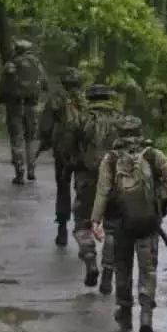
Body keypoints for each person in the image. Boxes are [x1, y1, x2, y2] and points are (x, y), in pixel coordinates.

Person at [91, 116, 167, 332]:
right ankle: (147, 315)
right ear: (140, 132)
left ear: (118, 133)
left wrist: (96, 220)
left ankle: (125, 311)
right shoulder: (153, 155)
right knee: (148, 268)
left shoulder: (111, 159)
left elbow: (102, 191)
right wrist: (160, 204)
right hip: (148, 223)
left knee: (123, 268)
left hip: (120, 223)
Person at [73, 84, 124, 288]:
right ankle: (108, 271)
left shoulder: (82, 119)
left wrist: (72, 164)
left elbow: (68, 145)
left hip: (87, 176)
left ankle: (90, 259)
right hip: (115, 178)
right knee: (112, 226)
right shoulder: (121, 120)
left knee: (82, 222)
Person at [37, 67, 86, 247]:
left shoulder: (56, 99)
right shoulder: (86, 100)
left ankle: (62, 228)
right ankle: (83, 229)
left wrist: (45, 142)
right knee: (83, 190)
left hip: (63, 152)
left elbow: (45, 125)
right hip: (82, 152)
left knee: (63, 188)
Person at [0, 38, 47, 185]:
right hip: (33, 106)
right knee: (31, 139)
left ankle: (20, 172)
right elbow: (45, 84)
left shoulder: (11, 65)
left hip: (14, 107)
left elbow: (3, 86)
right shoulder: (37, 64)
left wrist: (2, 100)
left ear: (16, 49)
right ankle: (32, 169)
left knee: (17, 138)